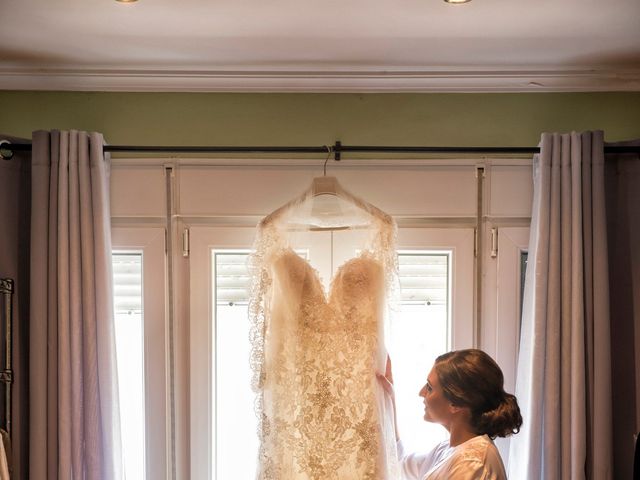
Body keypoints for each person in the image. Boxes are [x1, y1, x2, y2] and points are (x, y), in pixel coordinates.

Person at [379, 349, 522, 480]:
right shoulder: (447, 449)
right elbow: (402, 463)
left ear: (455, 404)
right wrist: (389, 400)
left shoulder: (472, 462)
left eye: (429, 387)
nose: (421, 393)